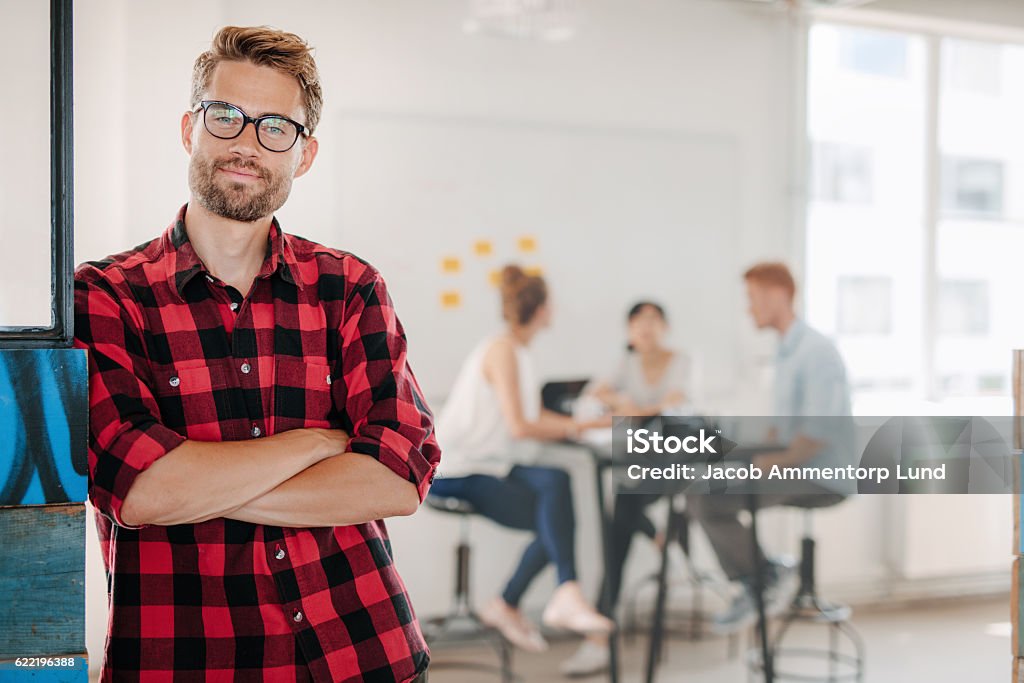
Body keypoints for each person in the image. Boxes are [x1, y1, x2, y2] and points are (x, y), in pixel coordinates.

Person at [74, 26, 440, 682]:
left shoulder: (349, 288)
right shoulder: (103, 296)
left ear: (304, 155)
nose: (247, 143)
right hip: (188, 660)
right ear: (190, 128)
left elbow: (395, 478)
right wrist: (319, 442)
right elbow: (139, 490)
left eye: (276, 126)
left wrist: (199, 483)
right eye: (227, 117)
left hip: (360, 650)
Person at [433, 265, 613, 653]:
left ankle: (530, 599)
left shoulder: (517, 351)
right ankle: (537, 598)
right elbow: (520, 425)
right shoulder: (502, 350)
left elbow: (530, 417)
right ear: (543, 309)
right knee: (556, 509)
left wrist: (587, 423)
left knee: (555, 490)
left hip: (488, 463)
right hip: (455, 469)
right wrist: (581, 427)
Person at [687, 262, 853, 634]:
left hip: (820, 473)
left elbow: (816, 435)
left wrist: (765, 463)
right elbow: (782, 430)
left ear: (778, 295)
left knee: (707, 498)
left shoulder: (815, 352)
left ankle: (761, 580)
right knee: (701, 489)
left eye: (753, 298)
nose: (748, 308)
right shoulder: (785, 352)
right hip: (796, 464)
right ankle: (762, 578)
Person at [563, 301, 695, 676]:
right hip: (637, 469)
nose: (646, 329)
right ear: (629, 331)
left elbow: (674, 405)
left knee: (619, 517)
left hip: (675, 466)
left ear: (665, 326)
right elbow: (593, 396)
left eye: (653, 321)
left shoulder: (682, 361)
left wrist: (635, 408)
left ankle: (599, 638)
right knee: (619, 521)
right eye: (638, 323)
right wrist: (622, 401)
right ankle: (660, 537)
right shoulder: (625, 363)